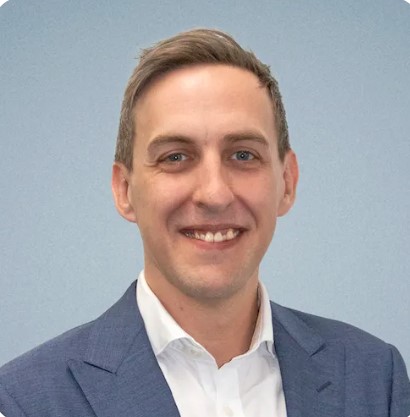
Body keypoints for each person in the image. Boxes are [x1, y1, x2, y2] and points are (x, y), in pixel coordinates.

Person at [0, 28, 409, 417]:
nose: (214, 194)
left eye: (243, 155)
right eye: (175, 157)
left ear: (287, 182)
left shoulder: (376, 378)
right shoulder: (23, 400)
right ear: (125, 190)